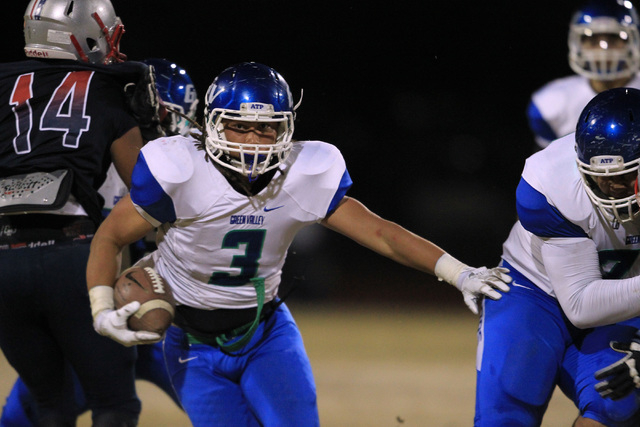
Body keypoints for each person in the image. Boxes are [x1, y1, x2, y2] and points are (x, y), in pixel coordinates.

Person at [83, 61, 512, 427]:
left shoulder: (303, 172)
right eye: (239, 126)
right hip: (192, 341)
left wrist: (459, 272)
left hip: (267, 332)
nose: (251, 141)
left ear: (286, 130)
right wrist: (101, 309)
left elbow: (381, 232)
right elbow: (110, 236)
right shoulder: (178, 170)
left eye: (265, 129)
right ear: (212, 123)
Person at [0, 57, 199, 427]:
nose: (173, 132)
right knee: (31, 416)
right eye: (170, 118)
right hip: (91, 303)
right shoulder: (112, 151)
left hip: (159, 315)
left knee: (219, 411)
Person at [474, 87, 640, 427]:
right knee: (505, 416)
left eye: (626, 178)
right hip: (534, 291)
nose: (613, 190)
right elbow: (581, 304)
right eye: (602, 179)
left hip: (626, 293)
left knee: (615, 405)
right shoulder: (549, 182)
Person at [527, 0, 640, 151]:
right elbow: (549, 168)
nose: (603, 49)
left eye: (613, 38)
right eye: (593, 39)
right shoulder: (551, 105)